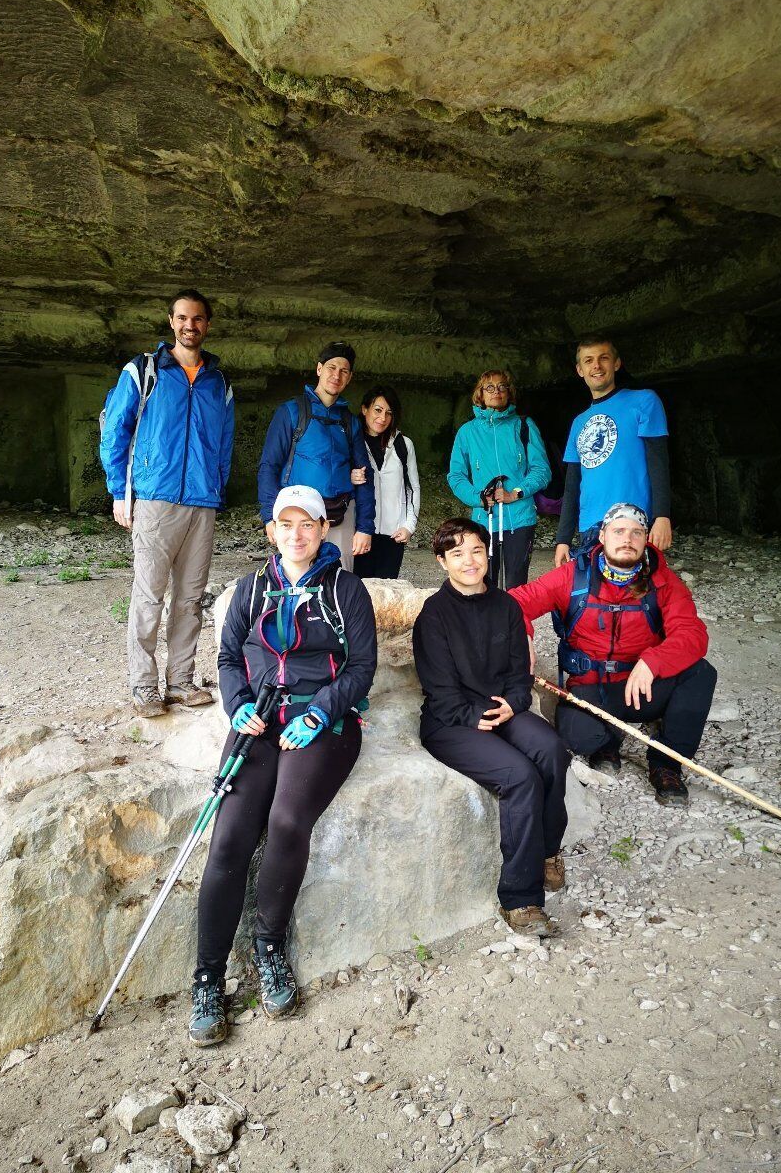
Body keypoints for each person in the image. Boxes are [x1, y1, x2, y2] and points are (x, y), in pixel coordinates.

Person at [190, 485, 377, 1045]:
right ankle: (208, 976)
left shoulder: (346, 590)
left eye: (309, 524)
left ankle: (269, 945)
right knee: (229, 839)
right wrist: (239, 704)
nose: (297, 535)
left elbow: (361, 666)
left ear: (324, 530)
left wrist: (321, 712)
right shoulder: (251, 588)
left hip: (322, 721)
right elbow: (227, 658)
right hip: (258, 719)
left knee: (287, 823)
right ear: (272, 530)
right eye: (286, 524)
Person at [413, 518, 570, 937]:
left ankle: (547, 852)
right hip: (453, 723)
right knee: (519, 775)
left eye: (477, 551)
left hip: (503, 709)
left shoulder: (505, 606)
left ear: (488, 554)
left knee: (552, 750)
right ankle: (520, 900)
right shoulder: (434, 614)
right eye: (458, 553)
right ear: (442, 561)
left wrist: (514, 705)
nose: (469, 561)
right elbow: (439, 686)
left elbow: (521, 673)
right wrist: (477, 716)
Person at [511, 503, 716, 807]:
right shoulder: (573, 577)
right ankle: (608, 740)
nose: (627, 539)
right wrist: (523, 636)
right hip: (590, 690)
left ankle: (667, 763)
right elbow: (512, 604)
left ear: (646, 539)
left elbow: (692, 634)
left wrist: (653, 661)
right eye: (619, 531)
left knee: (701, 673)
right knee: (578, 738)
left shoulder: (664, 582)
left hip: (642, 689)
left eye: (636, 532)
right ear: (603, 536)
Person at [100, 290, 234, 718]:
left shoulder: (219, 382)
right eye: (181, 318)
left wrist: (216, 486)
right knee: (149, 595)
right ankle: (143, 686)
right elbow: (115, 430)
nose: (189, 325)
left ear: (207, 324)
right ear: (170, 321)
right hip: (155, 498)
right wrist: (121, 492)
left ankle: (179, 682)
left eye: (197, 319)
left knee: (190, 598)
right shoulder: (145, 371)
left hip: (202, 501)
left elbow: (225, 444)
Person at [555, 336, 672, 567]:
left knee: (636, 597)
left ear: (616, 363)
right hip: (590, 527)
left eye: (603, 358)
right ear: (580, 370)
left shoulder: (644, 401)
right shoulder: (579, 422)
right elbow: (572, 484)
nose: (596, 366)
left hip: (632, 521)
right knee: (593, 600)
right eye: (588, 361)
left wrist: (662, 516)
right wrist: (563, 540)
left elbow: (659, 462)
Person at [258, 341, 374, 572]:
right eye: (332, 368)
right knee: (295, 579)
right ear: (319, 369)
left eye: (344, 371)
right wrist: (269, 517)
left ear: (350, 377)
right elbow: (269, 466)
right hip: (297, 515)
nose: (336, 375)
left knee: (339, 581)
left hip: (339, 512)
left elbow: (364, 476)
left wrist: (364, 528)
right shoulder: (292, 411)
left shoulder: (350, 421)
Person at [447, 371, 551, 589]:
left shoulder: (524, 426)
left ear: (509, 393)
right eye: (490, 388)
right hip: (485, 519)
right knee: (483, 583)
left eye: (502, 387)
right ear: (480, 394)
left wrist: (516, 493)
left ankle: (513, 623)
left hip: (520, 519)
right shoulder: (468, 432)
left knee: (516, 585)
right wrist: (480, 498)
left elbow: (542, 470)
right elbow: (456, 476)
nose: (497, 392)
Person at [352, 385, 420, 579]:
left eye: (389, 413)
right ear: (364, 409)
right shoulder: (352, 442)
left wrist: (409, 526)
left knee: (387, 592)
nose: (382, 418)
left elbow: (413, 488)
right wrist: (349, 477)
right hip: (359, 531)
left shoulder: (403, 444)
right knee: (358, 591)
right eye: (378, 410)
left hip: (393, 533)